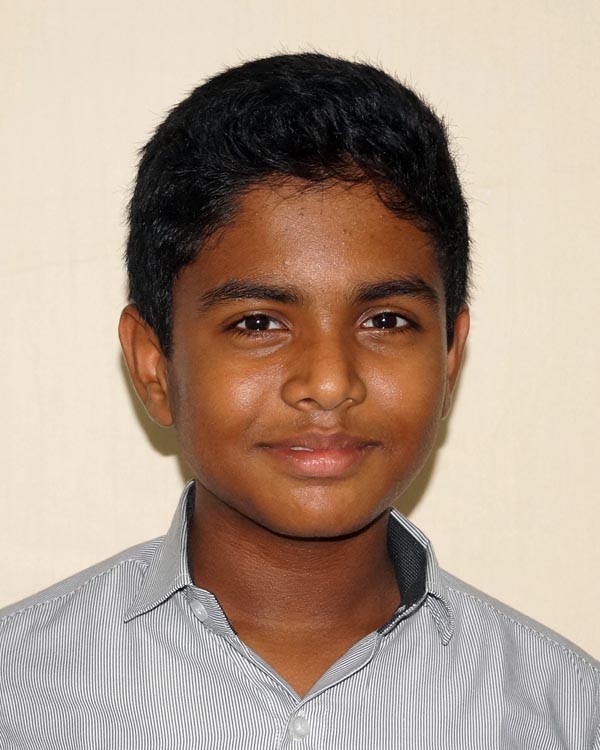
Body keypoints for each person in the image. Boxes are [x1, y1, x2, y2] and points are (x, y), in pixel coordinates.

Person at [0, 52, 598, 749]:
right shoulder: (20, 696)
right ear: (154, 365)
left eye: (385, 321)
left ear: (449, 357)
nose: (330, 381)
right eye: (258, 323)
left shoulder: (568, 716)